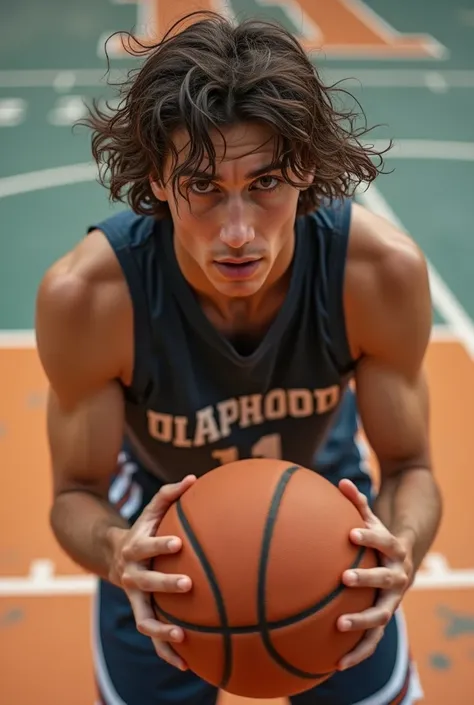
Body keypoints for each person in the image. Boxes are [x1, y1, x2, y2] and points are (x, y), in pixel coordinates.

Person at [35, 11, 442, 705]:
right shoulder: (90, 296)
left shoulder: (377, 273)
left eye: (265, 184)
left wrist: (398, 547)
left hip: (328, 518)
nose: (237, 232)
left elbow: (410, 469)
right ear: (158, 180)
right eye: (201, 187)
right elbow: (75, 494)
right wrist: (119, 555)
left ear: (306, 168)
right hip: (158, 542)